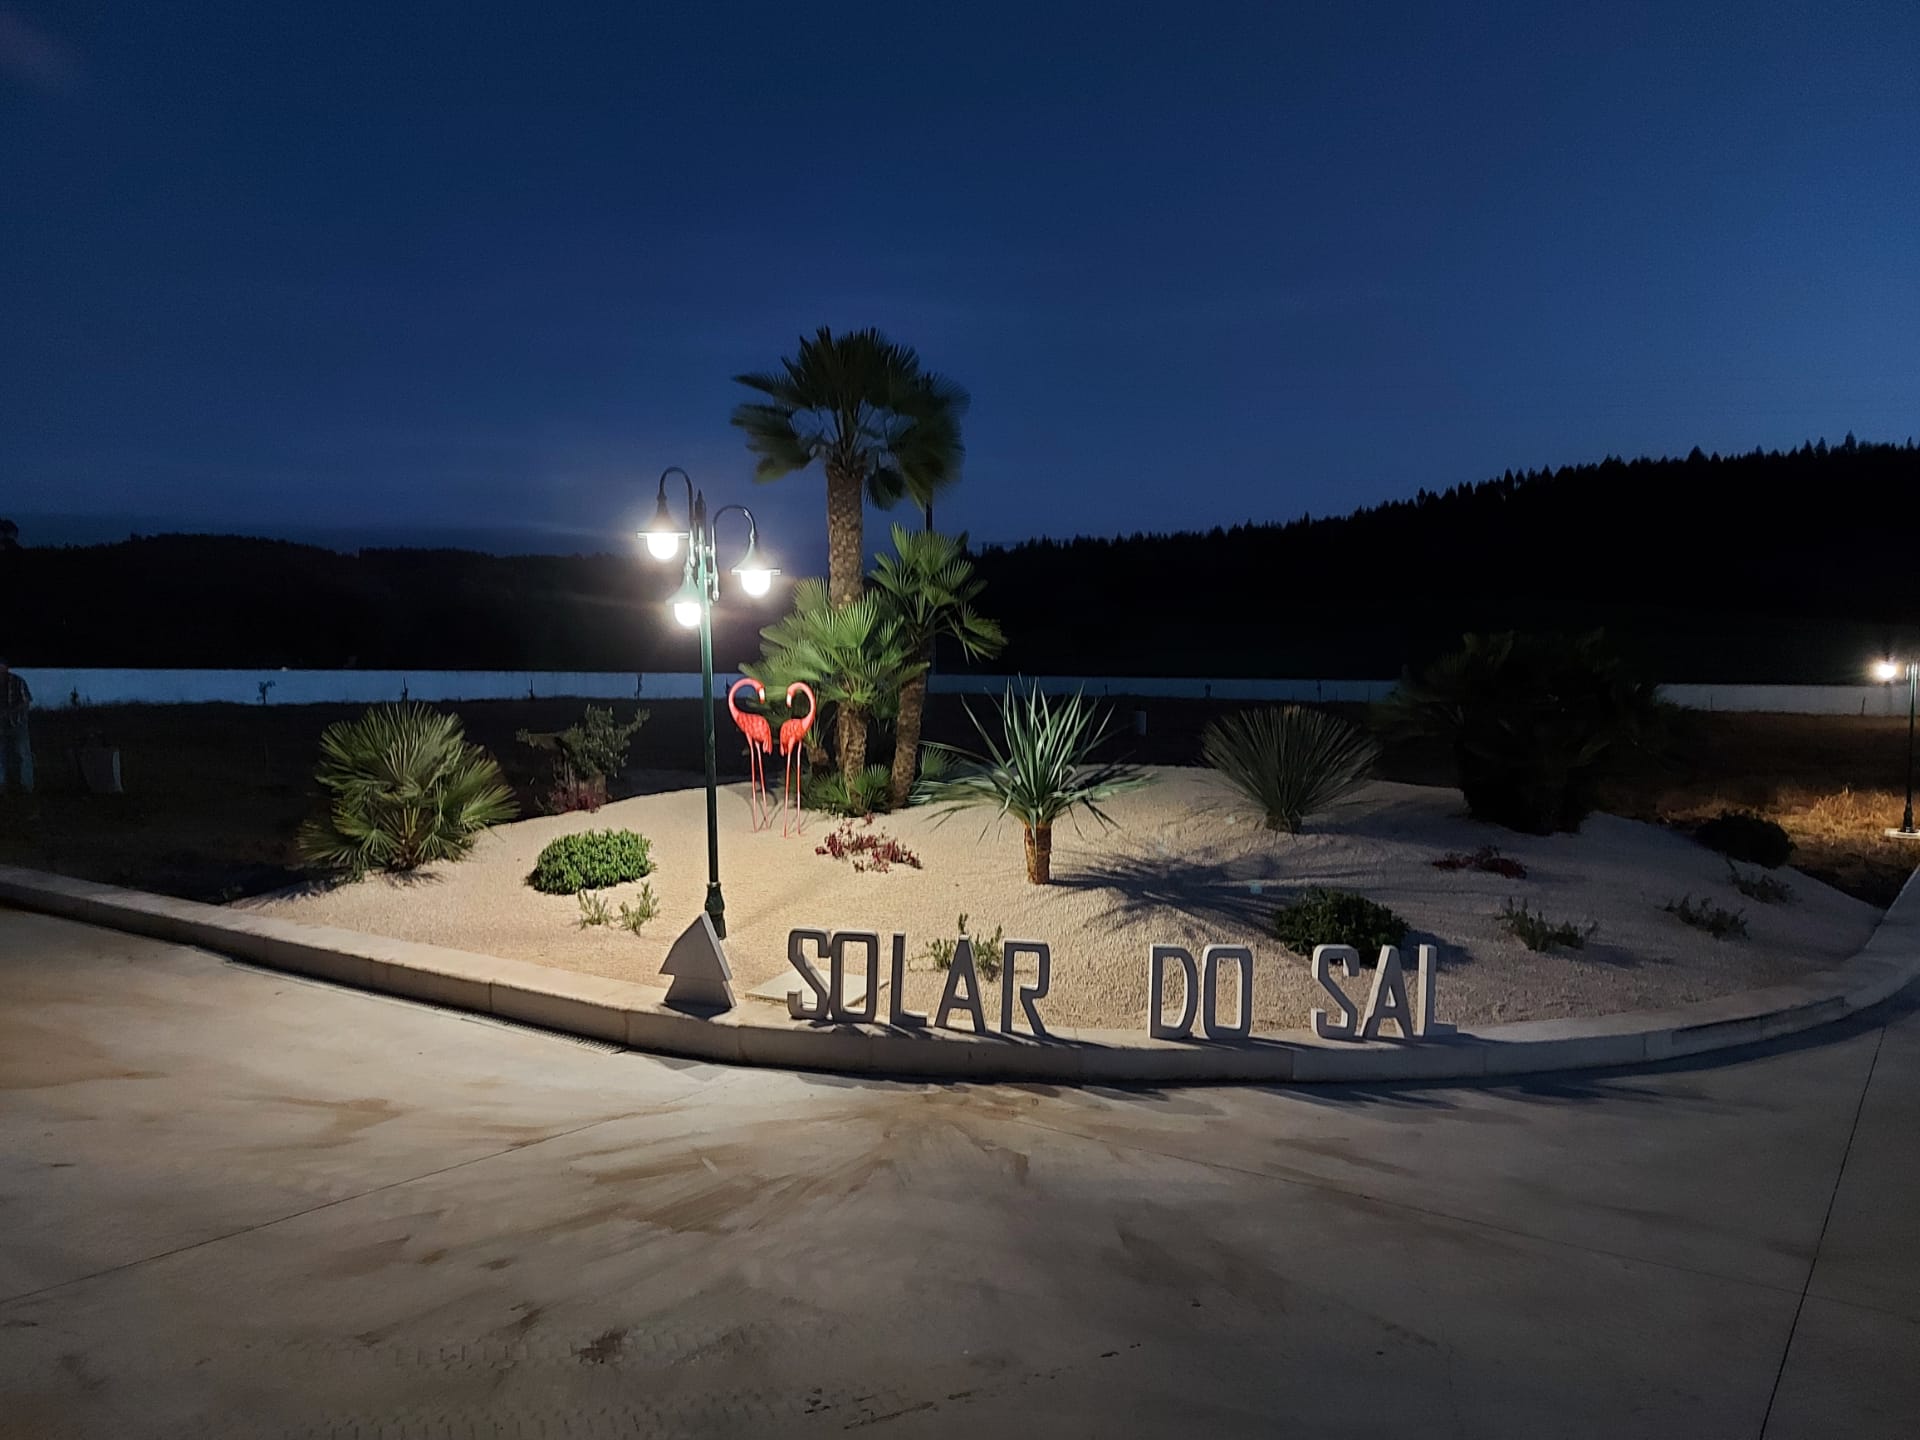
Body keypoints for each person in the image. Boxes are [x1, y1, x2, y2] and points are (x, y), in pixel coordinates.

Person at [0, 658, 32, 794]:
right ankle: (2, 785)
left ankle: (27, 786)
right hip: (0, 726)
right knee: (1, 756)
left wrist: (10, 712)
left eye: (2, 667)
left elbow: (26, 702)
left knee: (23, 755)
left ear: (7, 668)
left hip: (17, 724)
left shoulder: (18, 681)